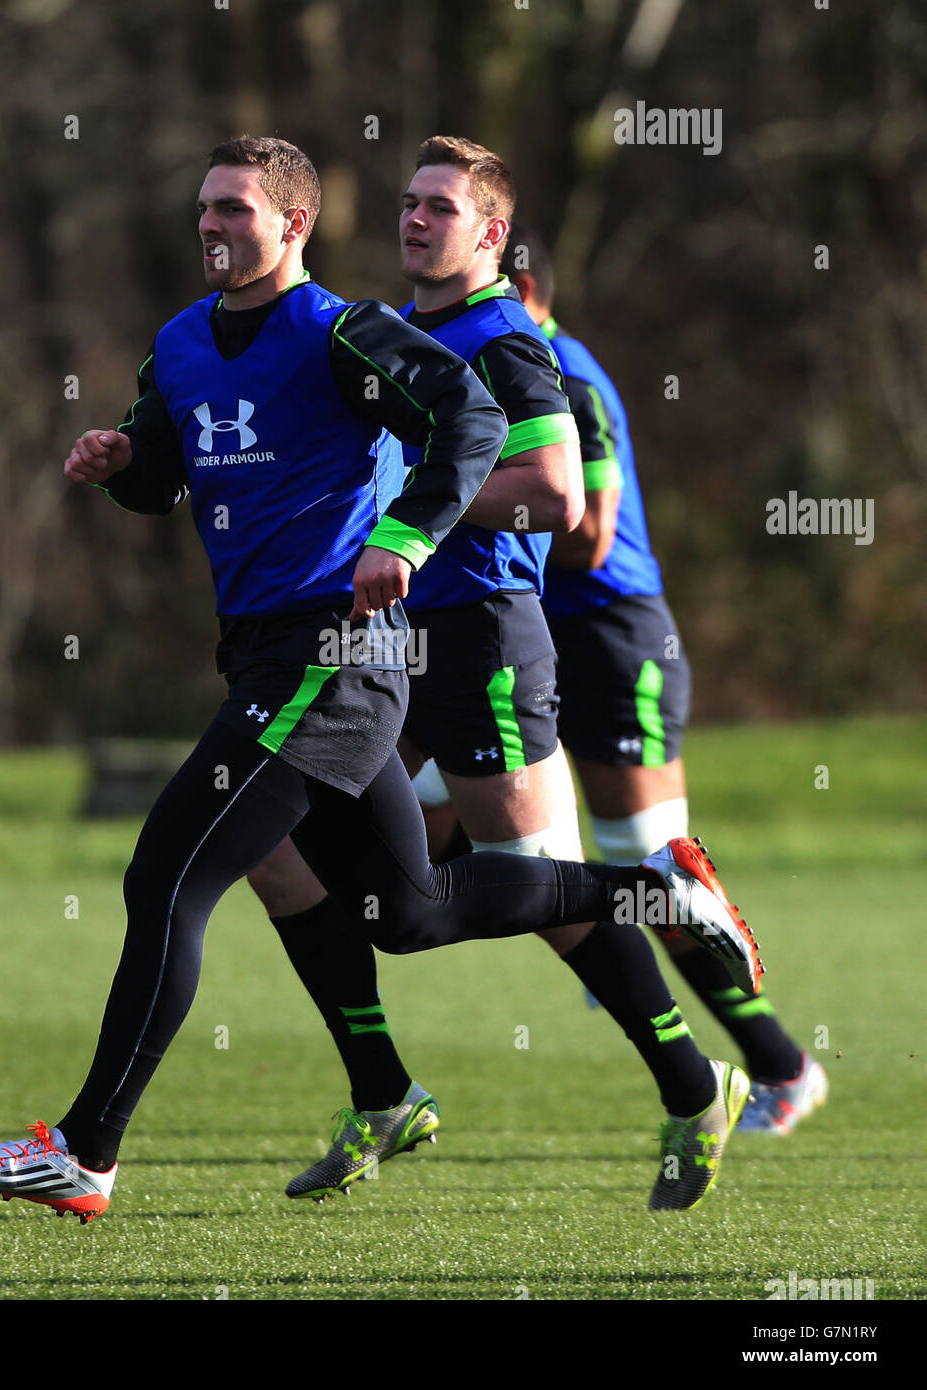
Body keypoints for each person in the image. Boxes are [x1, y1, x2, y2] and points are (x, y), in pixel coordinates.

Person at [0, 136, 759, 1225]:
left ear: (292, 224)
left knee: (171, 873)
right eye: (204, 209)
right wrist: (123, 467)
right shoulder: (184, 343)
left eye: (235, 207)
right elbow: (174, 468)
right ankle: (621, 920)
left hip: (385, 644)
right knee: (406, 909)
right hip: (325, 646)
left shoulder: (374, 331)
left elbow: (532, 479)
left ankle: (86, 1149)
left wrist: (407, 530)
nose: (211, 226)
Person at [246, 138, 757, 1214]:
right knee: (275, 843)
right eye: (407, 201)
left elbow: (557, 501)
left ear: (491, 234)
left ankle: (688, 1073)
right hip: (383, 640)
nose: (416, 219)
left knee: (540, 890)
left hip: (478, 640)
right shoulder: (392, 336)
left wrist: (419, 506)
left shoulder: (509, 343)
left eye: (442, 206)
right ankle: (381, 1090)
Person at [498, 222, 827, 1134]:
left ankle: (782, 1066)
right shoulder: (496, 367)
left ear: (521, 290)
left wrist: (469, 508)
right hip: (531, 641)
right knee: (470, 837)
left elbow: (591, 536)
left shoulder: (566, 374)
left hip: (614, 643)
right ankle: (616, 959)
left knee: (661, 879)